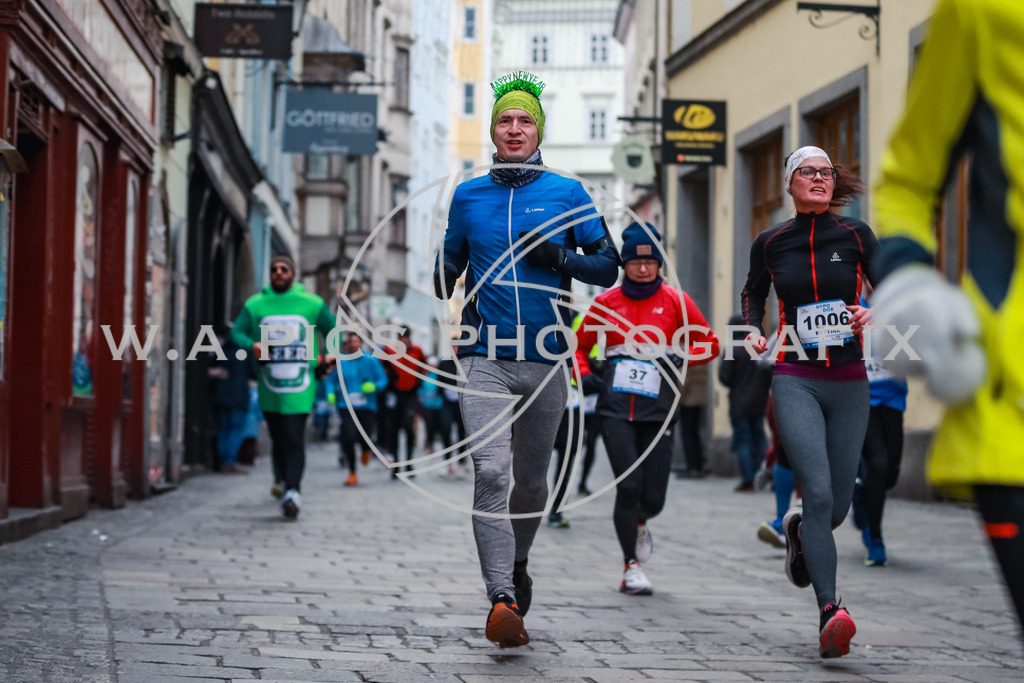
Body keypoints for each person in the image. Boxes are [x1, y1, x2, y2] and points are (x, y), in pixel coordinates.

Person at [433, 70, 619, 648]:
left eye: (524, 121)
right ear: (493, 131)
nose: (514, 129)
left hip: (546, 356)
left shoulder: (568, 193)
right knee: (491, 471)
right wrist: (446, 267)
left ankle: (517, 564)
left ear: (539, 131)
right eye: (505, 121)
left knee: (534, 481)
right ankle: (501, 597)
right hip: (483, 354)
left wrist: (558, 257)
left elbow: (607, 266)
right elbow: (450, 266)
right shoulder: (468, 195)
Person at [871, 0, 1024, 639]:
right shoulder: (983, 11)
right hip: (1010, 405)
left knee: (877, 467)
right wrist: (908, 278)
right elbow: (907, 179)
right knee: (853, 474)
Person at [742, 146, 878, 658]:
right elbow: (753, 292)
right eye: (808, 172)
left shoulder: (856, 235)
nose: (819, 178)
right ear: (790, 183)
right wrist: (752, 329)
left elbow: (890, 288)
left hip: (849, 380)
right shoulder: (771, 241)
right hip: (795, 376)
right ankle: (830, 612)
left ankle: (798, 529)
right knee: (817, 492)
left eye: (826, 172)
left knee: (835, 507)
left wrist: (872, 311)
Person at [576, 221, 720, 597]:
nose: (643, 268)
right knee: (629, 486)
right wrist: (584, 376)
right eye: (635, 262)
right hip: (615, 409)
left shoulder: (676, 301)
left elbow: (710, 343)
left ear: (659, 264)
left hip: (659, 410)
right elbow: (577, 348)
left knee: (653, 498)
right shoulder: (606, 303)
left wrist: (682, 356)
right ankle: (631, 567)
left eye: (650, 262)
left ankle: (640, 523)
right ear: (624, 265)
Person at [230, 254, 335, 519]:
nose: (278, 272)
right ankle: (280, 479)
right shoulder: (256, 304)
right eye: (274, 269)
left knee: (294, 436)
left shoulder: (312, 303)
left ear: (293, 273)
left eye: (284, 269)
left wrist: (331, 355)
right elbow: (236, 332)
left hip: (302, 385)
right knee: (278, 437)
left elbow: (333, 330)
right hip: (270, 384)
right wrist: (252, 345)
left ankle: (293, 491)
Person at [851, 298, 908, 566]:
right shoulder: (852, 306)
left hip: (894, 399)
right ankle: (875, 539)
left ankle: (861, 494)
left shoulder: (900, 306)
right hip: (863, 398)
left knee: (890, 474)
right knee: (878, 463)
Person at [718, 314, 772, 492]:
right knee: (759, 439)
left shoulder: (732, 349)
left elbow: (724, 377)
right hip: (759, 402)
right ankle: (763, 474)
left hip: (739, 403)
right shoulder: (758, 347)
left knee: (742, 442)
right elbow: (769, 374)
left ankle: (748, 480)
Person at [328, 333, 388, 487]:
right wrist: (330, 393)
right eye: (351, 342)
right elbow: (331, 380)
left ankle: (366, 449)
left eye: (357, 341)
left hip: (367, 406)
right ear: (347, 344)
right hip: (346, 406)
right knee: (349, 436)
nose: (354, 345)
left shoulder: (371, 361)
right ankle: (352, 472)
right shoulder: (341, 362)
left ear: (361, 343)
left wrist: (374, 386)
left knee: (366, 434)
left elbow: (383, 380)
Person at [381, 326, 426, 478]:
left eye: (406, 338)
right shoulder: (389, 351)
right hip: (395, 395)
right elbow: (382, 367)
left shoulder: (417, 351)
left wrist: (419, 383)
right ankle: (395, 464)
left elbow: (424, 367)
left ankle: (409, 462)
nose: (404, 341)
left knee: (408, 427)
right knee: (393, 430)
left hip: (411, 395)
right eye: (402, 339)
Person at [208, 324, 253, 474]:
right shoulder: (244, 352)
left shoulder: (219, 351)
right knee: (236, 429)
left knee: (224, 428)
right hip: (238, 397)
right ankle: (229, 461)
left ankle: (223, 461)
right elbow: (253, 371)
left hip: (221, 395)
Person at [676, 363, 711, 479]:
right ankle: (698, 466)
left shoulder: (687, 358)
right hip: (700, 398)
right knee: (695, 433)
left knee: (687, 434)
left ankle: (692, 467)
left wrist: (678, 397)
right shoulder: (702, 359)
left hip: (688, 400)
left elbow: (683, 381)